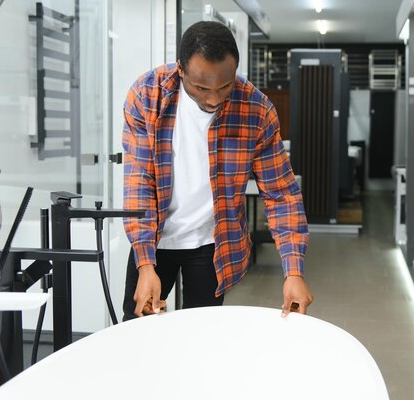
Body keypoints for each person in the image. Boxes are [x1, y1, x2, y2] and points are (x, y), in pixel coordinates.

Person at [121, 21, 312, 321]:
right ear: (181, 69)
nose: (213, 99)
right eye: (201, 88)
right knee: (139, 329)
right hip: (154, 240)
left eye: (224, 86)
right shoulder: (147, 96)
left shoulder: (256, 109)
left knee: (202, 335)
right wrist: (145, 264)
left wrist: (294, 272)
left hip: (213, 244)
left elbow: (281, 194)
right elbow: (139, 184)